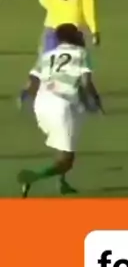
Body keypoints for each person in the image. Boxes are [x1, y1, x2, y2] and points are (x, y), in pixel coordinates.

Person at [17, 23, 103, 198]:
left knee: (67, 139)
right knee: (67, 159)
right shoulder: (81, 54)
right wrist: (96, 100)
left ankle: (62, 183)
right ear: (74, 37)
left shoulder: (47, 55)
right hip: (61, 105)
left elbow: (32, 82)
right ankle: (32, 177)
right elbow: (86, 82)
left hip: (42, 103)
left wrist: (25, 97)